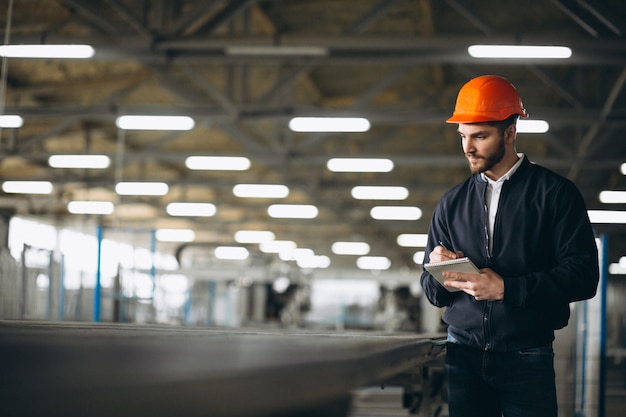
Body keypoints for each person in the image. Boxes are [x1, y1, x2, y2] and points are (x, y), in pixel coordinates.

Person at [420, 75, 599, 417]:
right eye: (463, 137)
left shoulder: (555, 195)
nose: (468, 148)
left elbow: (583, 276)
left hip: (526, 354)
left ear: (510, 132)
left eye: (480, 136)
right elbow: (431, 292)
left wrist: (507, 288)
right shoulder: (451, 203)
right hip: (463, 355)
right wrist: (442, 273)